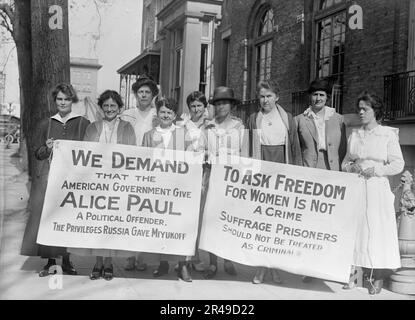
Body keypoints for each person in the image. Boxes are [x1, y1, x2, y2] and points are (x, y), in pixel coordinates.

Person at [20, 83, 90, 277]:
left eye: (67, 99)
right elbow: (38, 154)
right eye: (59, 99)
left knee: (68, 219)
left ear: (72, 100)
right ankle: (50, 262)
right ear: (55, 100)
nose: (63, 102)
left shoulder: (82, 123)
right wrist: (47, 148)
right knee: (50, 219)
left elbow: (90, 152)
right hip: (51, 179)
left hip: (73, 180)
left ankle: (67, 261)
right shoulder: (47, 124)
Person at [68, 90, 136, 281]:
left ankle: (109, 263)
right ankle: (98, 262)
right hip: (96, 182)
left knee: (112, 224)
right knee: (98, 223)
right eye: (105, 106)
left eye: (113, 106)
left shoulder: (127, 127)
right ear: (101, 107)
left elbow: (131, 152)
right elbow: (87, 151)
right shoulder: (93, 127)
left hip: (118, 182)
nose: (109, 109)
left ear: (119, 107)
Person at [341, 92, 404, 295]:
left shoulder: (387, 134)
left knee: (377, 232)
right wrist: (350, 168)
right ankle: (355, 275)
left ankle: (376, 277)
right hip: (358, 186)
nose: (360, 112)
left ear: (375, 111)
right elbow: (345, 161)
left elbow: (398, 164)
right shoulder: (354, 135)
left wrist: (377, 170)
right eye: (359, 108)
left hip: (377, 188)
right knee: (357, 230)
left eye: (364, 109)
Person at [142, 97, 205, 281]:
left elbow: (193, 158)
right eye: (162, 111)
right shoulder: (149, 135)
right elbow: (143, 161)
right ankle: (163, 263)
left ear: (174, 115)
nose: (166, 115)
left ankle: (182, 265)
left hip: (178, 188)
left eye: (169, 112)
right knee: (161, 226)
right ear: (157, 113)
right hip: (157, 187)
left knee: (180, 225)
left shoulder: (183, 133)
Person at [247, 80, 302, 284]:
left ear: (277, 97)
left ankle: (275, 267)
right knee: (261, 222)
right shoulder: (253, 118)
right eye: (262, 96)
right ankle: (261, 269)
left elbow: (294, 147)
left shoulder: (287, 118)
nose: (265, 100)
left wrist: (293, 175)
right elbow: (248, 147)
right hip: (261, 170)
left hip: (282, 168)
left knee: (278, 222)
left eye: (269, 96)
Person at [295, 78, 347, 283]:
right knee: (311, 221)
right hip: (310, 170)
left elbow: (343, 150)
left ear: (327, 97)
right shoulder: (300, 119)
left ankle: (330, 266)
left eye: (322, 95)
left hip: (332, 170)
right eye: (315, 94)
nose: (318, 98)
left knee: (331, 220)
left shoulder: (339, 119)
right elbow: (296, 149)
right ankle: (310, 267)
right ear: (310, 96)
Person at [202, 86, 249, 279]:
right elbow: (201, 151)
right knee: (212, 220)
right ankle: (213, 263)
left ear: (231, 105)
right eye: (218, 103)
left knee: (229, 219)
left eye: (225, 103)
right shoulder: (207, 127)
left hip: (232, 178)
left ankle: (228, 259)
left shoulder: (239, 127)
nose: (221, 107)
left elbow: (244, 154)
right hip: (212, 175)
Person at [120, 75, 159, 272]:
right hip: (130, 166)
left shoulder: (157, 115)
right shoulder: (127, 114)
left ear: (153, 95)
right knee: (129, 211)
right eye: (140, 92)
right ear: (135, 94)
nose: (143, 95)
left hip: (150, 168)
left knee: (144, 213)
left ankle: (141, 256)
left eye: (147, 92)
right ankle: (129, 256)